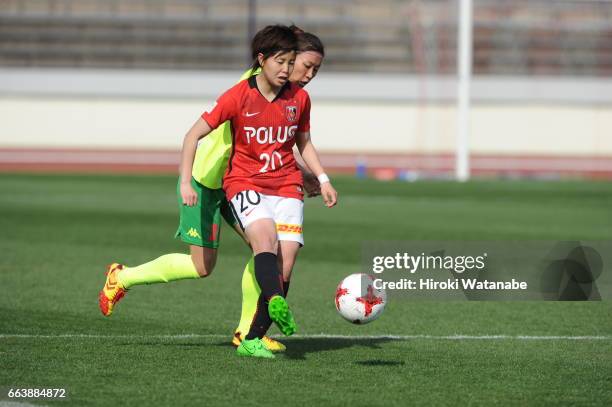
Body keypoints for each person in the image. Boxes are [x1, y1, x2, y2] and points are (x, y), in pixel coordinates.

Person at [98, 26, 331, 357]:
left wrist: (305, 173)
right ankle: (122, 278)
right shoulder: (247, 87)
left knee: (267, 248)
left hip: (240, 182)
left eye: (314, 69)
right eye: (304, 65)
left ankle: (247, 332)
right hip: (207, 180)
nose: (308, 75)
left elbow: (272, 137)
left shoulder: (285, 91)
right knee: (202, 267)